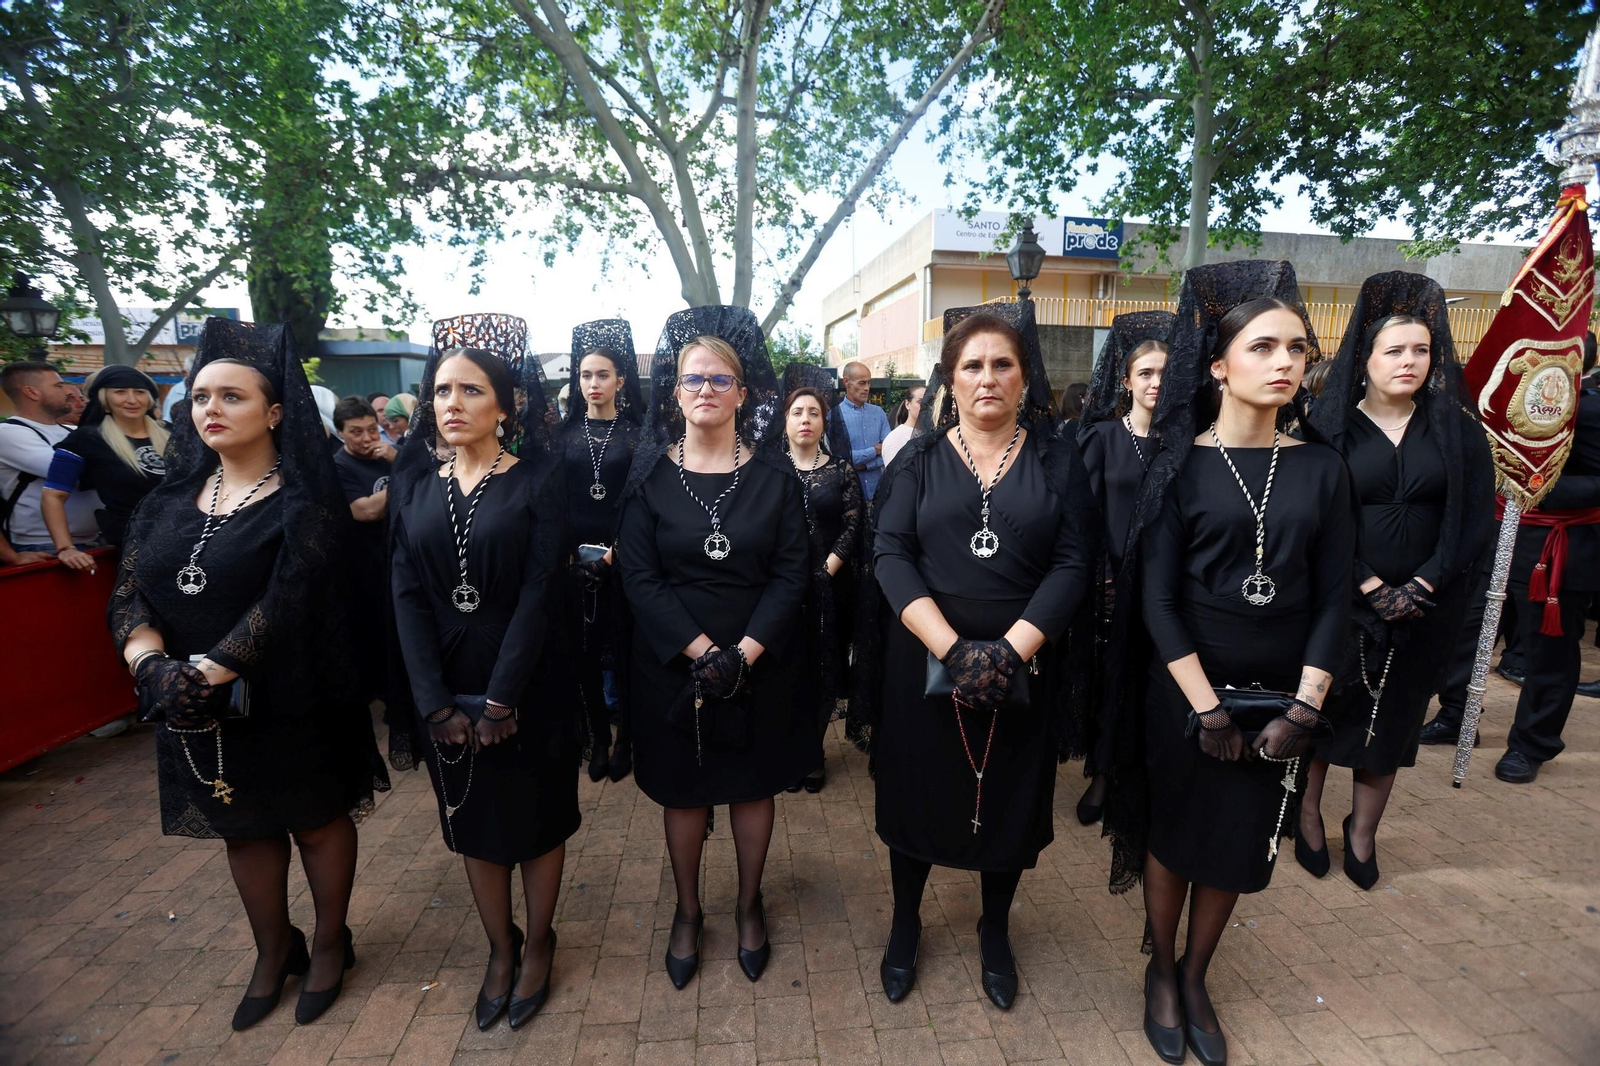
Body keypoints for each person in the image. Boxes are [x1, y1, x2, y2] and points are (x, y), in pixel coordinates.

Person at [1099, 262, 1354, 1066]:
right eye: (1263, 346)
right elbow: (1157, 599)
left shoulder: (1322, 467)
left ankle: (1197, 974)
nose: (1285, 362)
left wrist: (1305, 709)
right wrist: (1206, 708)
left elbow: (1335, 598)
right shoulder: (1176, 466)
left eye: (1297, 349)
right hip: (1185, 691)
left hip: (1282, 694)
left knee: (1241, 842)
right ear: (1217, 365)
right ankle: (1161, 971)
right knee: (1177, 834)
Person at [110, 319, 389, 1031]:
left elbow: (289, 597)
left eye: (232, 396)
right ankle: (273, 950)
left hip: (292, 693)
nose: (211, 408)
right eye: (201, 396)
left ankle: (331, 943)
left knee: (316, 823)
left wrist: (209, 670)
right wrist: (152, 666)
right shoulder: (163, 503)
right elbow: (130, 592)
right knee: (243, 829)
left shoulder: (305, 500)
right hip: (191, 702)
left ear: (274, 413)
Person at [857, 300, 1095, 1012]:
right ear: (950, 379)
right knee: (918, 794)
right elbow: (890, 553)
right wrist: (955, 650)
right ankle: (906, 922)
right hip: (924, 666)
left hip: (1023, 667)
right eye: (972, 366)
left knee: (1007, 800)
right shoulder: (918, 458)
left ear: (1024, 378)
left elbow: (1074, 561)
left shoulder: (1058, 459)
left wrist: (1009, 653)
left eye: (1002, 364)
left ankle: (995, 927)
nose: (987, 377)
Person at [616, 306, 813, 991]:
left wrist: (743, 654)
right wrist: (703, 653)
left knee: (752, 786)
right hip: (673, 666)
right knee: (685, 789)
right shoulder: (647, 481)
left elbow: (791, 574)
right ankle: (688, 910)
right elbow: (639, 576)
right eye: (693, 379)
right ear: (674, 393)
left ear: (742, 392)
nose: (706, 389)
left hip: (759, 664)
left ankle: (749, 904)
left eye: (720, 379)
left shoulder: (775, 479)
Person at [390, 337, 580, 1031]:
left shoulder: (539, 479)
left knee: (537, 814)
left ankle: (540, 941)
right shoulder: (414, 484)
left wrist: (501, 699)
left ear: (504, 406)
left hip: (529, 676)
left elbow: (540, 591)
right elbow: (406, 595)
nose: (453, 403)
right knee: (472, 818)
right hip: (444, 677)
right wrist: (433, 702)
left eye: (471, 390)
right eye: (442, 390)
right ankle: (501, 948)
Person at [1298, 273, 1494, 889]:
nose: (1409, 361)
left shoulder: (1456, 429)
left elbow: (1474, 515)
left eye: (1421, 350)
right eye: (1394, 350)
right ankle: (1307, 815)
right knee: (1327, 710)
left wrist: (1425, 584)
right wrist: (1370, 585)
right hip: (1343, 601)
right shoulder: (1326, 427)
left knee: (1395, 717)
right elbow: (1314, 518)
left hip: (1428, 605)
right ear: (1366, 357)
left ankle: (1362, 832)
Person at [1075, 311, 1174, 825]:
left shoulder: (1186, 442)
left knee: (1155, 683)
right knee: (1111, 681)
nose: (1155, 382)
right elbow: (1083, 517)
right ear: (1127, 381)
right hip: (1112, 583)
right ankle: (1102, 774)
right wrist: (1102, 578)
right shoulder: (1102, 438)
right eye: (1146, 373)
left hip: (1169, 586)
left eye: (1164, 373)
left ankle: (1145, 775)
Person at [1490, 329, 1600, 783]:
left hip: (1556, 550)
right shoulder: (1499, 403)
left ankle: (1531, 743)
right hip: (1496, 539)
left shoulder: (1590, 411)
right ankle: (1454, 715)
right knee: (1467, 639)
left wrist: (1535, 485)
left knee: (1549, 654)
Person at [557, 319, 645, 783]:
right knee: (584, 655)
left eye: (603, 375)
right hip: (575, 566)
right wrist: (570, 557)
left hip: (625, 560)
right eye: (586, 375)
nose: (594, 383)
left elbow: (642, 502)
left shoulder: (637, 435)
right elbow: (554, 502)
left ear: (620, 381)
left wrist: (615, 553)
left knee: (626, 651)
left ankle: (627, 737)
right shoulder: (562, 436)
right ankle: (599, 740)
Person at [769, 365, 863, 793]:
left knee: (823, 669)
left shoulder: (841, 470)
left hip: (829, 587)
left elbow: (853, 525)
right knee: (787, 670)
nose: (805, 419)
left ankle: (813, 753)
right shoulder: (767, 470)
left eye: (814, 413)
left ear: (825, 422)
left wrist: (825, 570)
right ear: (785, 420)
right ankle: (789, 749)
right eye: (797, 412)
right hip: (779, 589)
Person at [41, 365, 170, 564]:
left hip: (193, 536)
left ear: (150, 398)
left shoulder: (174, 434)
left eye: (139, 392)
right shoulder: (84, 440)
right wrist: (66, 548)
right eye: (120, 392)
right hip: (138, 545)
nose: (132, 399)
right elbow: (53, 496)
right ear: (104, 399)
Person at [332, 396, 397, 702]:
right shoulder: (339, 466)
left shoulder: (389, 456)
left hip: (398, 558)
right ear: (340, 433)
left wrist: (398, 461)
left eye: (372, 429)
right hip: (365, 567)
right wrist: (403, 477)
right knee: (376, 632)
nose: (367, 438)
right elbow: (366, 510)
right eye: (356, 432)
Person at [1, 361, 101, 558]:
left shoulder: (71, 430)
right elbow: (75, 474)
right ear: (32, 392)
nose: (66, 392)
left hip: (96, 539)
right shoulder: (9, 433)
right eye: (58, 386)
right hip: (45, 546)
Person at [831, 360, 892, 499]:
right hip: (848, 497)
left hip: (878, 492)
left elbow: (888, 452)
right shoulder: (834, 416)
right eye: (862, 383)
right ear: (846, 382)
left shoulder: (878, 413)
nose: (867, 388)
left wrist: (865, 466)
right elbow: (837, 458)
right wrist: (874, 451)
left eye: (869, 383)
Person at [881, 384, 925, 467]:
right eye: (920, 402)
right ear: (907, 404)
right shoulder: (895, 439)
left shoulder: (934, 433)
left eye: (930, 402)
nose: (926, 406)